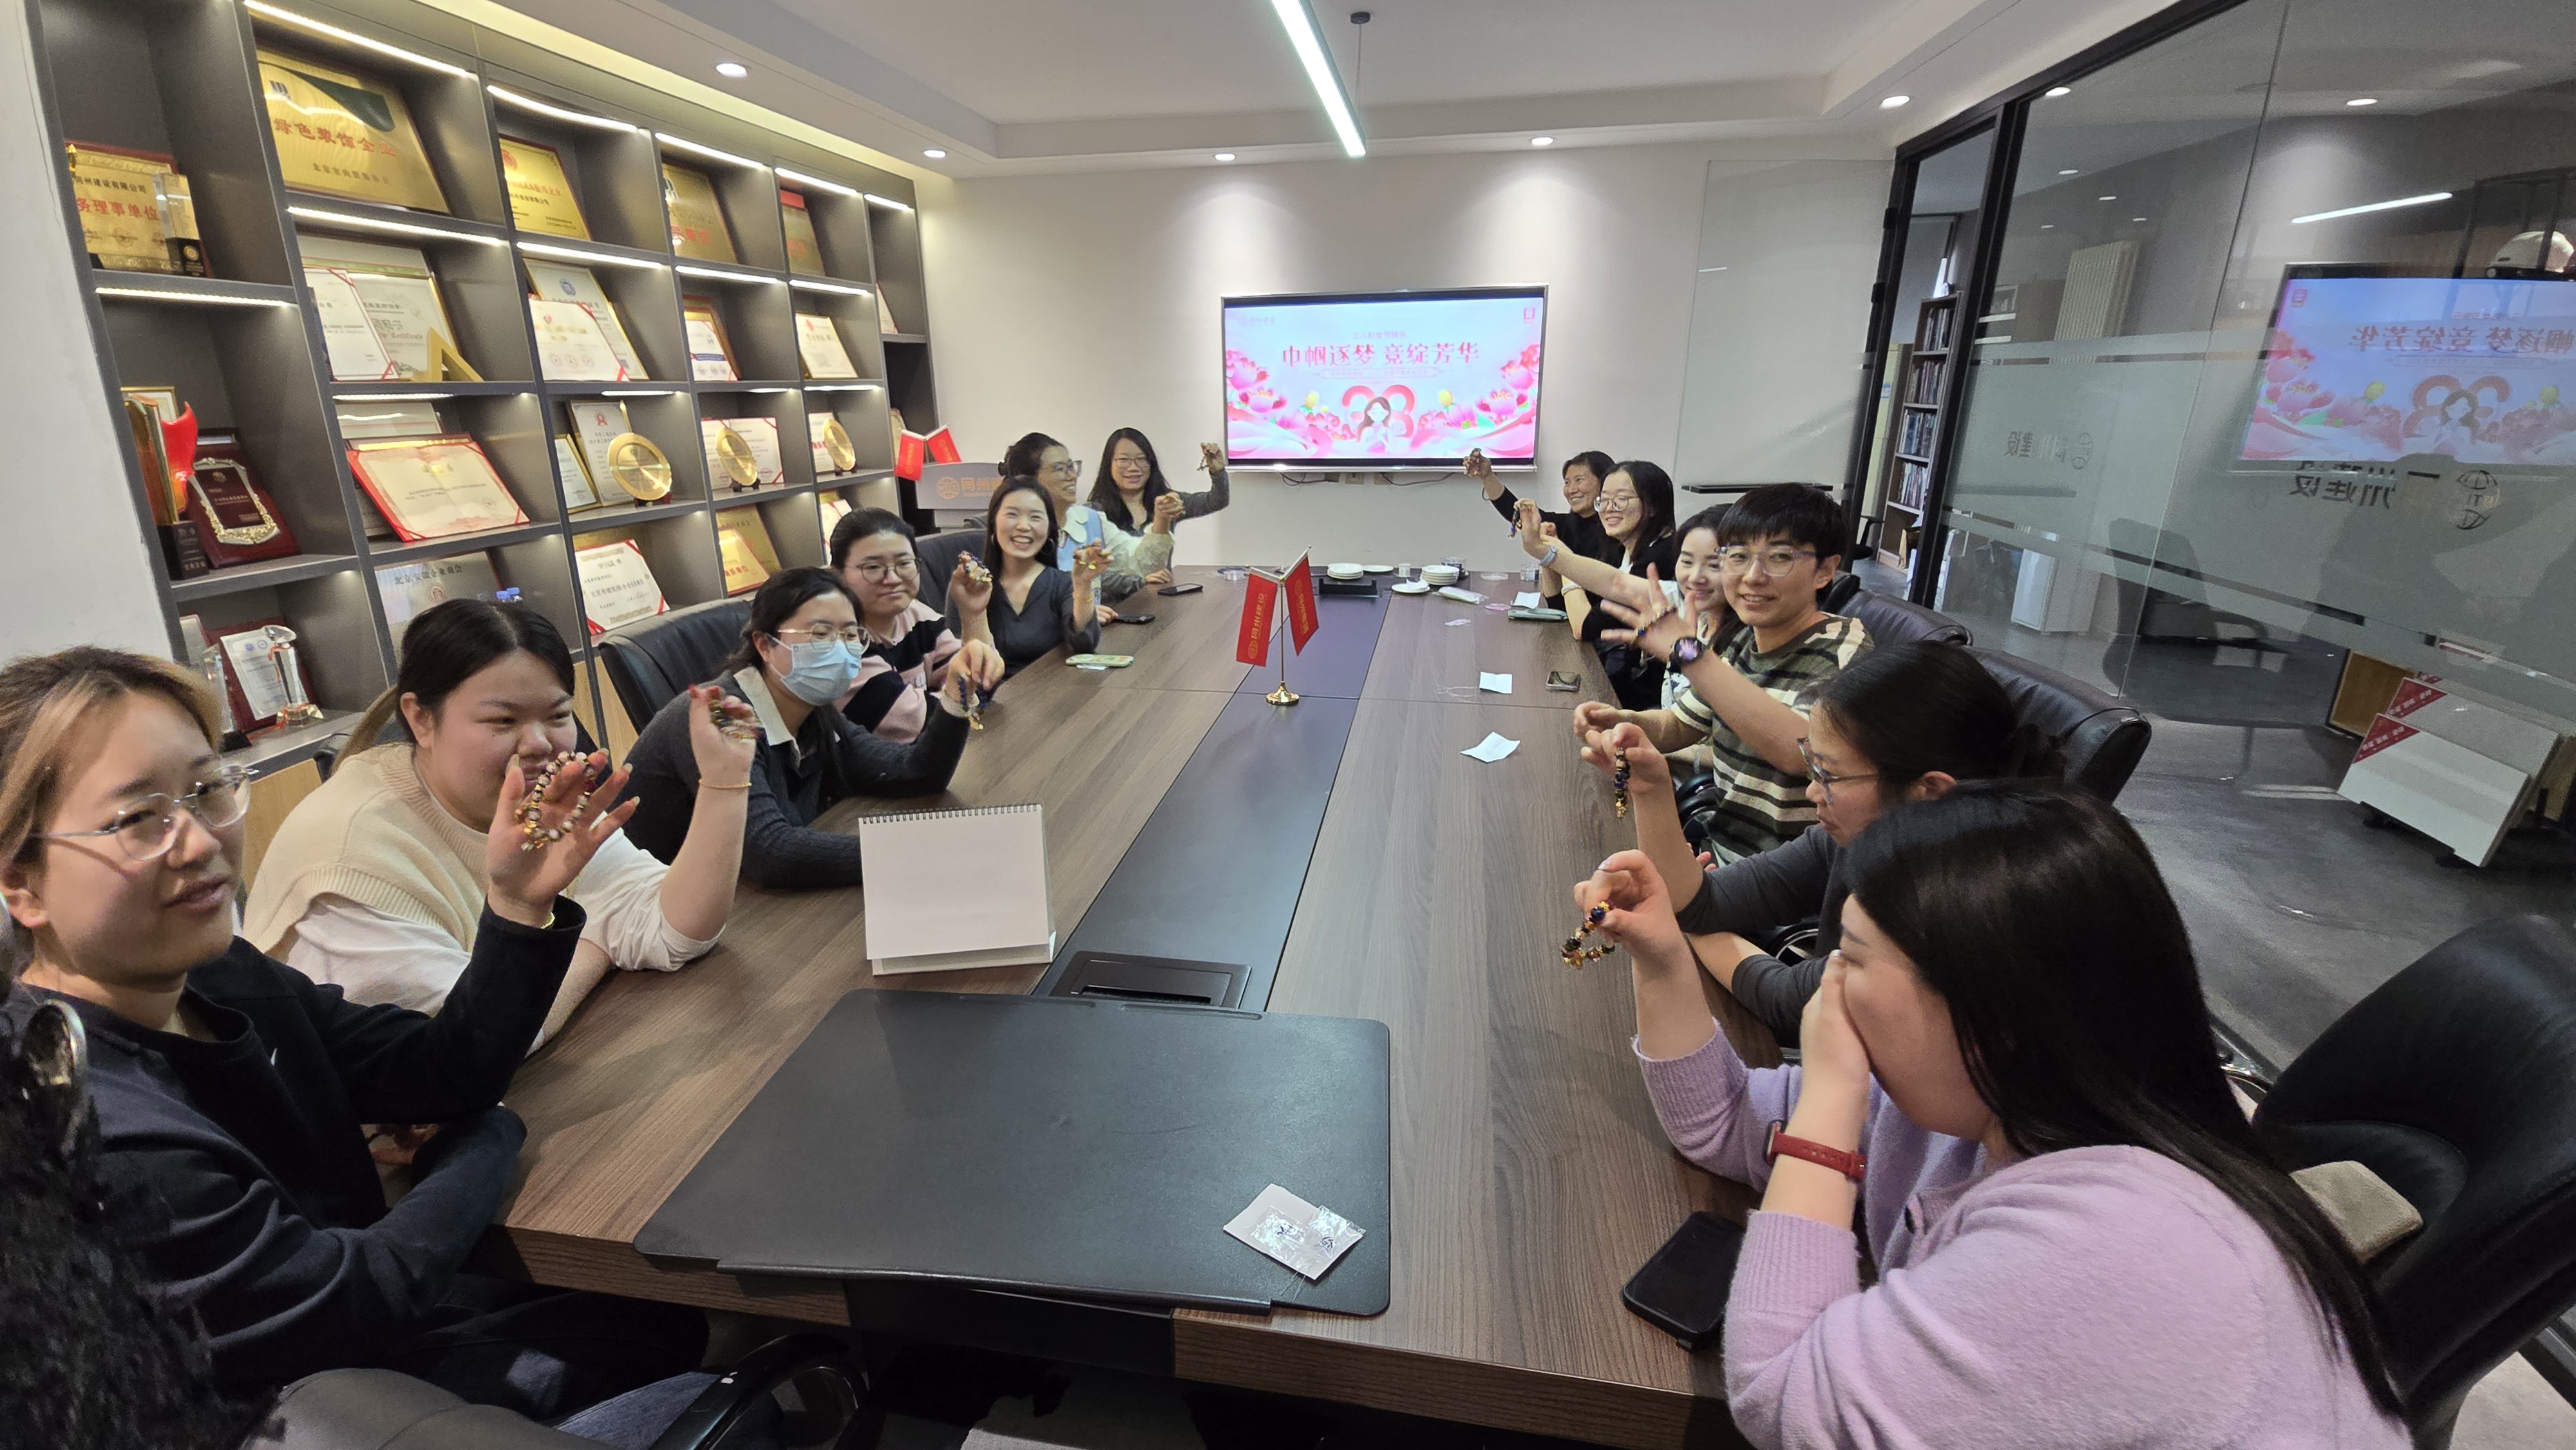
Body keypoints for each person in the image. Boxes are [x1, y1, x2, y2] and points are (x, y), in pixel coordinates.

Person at [1573, 782, 2407, 1447]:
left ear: (1992, 1012)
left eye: (1852, 961)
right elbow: (1721, 1123)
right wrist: (1664, 957)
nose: (1830, 989)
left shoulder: (2113, 1244)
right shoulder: (1983, 1097)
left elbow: (1781, 1396)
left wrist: (1826, 1099)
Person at [0, 647, 705, 1417]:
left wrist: (515, 904)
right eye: (139, 818)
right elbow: (351, 1298)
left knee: (659, 1321)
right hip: (307, 1406)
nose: (200, 841)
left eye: (205, 790)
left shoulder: (222, 974)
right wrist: (486, 1134)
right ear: (19, 880)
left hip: (368, 1343)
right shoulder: (88, 1120)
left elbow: (437, 1068)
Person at [245, 603, 750, 1047]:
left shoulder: (533, 801)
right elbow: (465, 1045)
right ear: (420, 719)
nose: (539, 744)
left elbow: (673, 929)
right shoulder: (348, 853)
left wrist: (724, 781)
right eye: (503, 722)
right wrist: (591, 942)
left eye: (558, 716)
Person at [1583, 641, 2063, 1042]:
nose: (1812, 792)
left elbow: (1789, 1001)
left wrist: (1682, 927)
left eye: (1828, 775)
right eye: (1812, 765)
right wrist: (1651, 787)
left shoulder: (1955, 907)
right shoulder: (1854, 835)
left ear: (1929, 791)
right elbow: (1703, 902)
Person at [618, 568, 994, 890]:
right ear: (764, 645)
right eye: (820, 634)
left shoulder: (811, 707)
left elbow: (916, 773)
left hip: (735, 900)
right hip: (656, 912)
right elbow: (770, 852)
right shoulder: (718, 716)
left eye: (851, 634)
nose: (841, 649)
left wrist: (957, 693)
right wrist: (908, 851)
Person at [1553, 482, 1868, 861]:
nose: (1752, 576)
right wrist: (1622, 721)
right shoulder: (1743, 641)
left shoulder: (1843, 648)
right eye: (1738, 557)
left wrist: (1691, 655)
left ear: (1825, 571)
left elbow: (1801, 753)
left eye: (1779, 558)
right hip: (1719, 855)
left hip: (1785, 880)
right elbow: (1678, 725)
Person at [830, 507, 1005, 743]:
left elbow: (982, 683)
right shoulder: (838, 642)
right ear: (838, 576)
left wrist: (973, 612)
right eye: (872, 567)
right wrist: (957, 693)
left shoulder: (914, 614)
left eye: (904, 563)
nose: (893, 579)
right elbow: (922, 723)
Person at [1535, 460, 1677, 710]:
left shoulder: (1658, 560)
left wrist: (1561, 558)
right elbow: (1559, 608)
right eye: (1604, 500)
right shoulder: (1621, 551)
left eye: (1621, 499)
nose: (1609, 509)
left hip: (1650, 703)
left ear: (1653, 505)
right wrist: (1552, 557)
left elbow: (1584, 627)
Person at [1006, 430, 1180, 619]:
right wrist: (1080, 612)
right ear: (1030, 480)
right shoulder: (1017, 531)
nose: (1072, 476)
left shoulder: (1090, 520)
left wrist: (1162, 519)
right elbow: (1017, 611)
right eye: (1059, 469)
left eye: (1071, 466)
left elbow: (1143, 563)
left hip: (1089, 635)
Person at [969, 476, 1105, 677]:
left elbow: (1085, 644)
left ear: (1050, 528)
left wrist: (1083, 585)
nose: (1024, 526)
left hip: (1047, 691)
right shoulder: (971, 586)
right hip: (990, 693)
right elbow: (966, 663)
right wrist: (973, 610)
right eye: (1012, 515)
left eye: (1035, 517)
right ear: (993, 522)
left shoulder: (1061, 583)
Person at [1470, 447, 1620, 567]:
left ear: (1605, 482)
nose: (1571, 490)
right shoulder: (1562, 526)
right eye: (1567, 483)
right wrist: (1487, 476)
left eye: (1579, 480)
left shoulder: (1618, 529)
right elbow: (1516, 514)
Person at [1088, 428, 1229, 534]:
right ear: (1109, 464)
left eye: (1142, 459)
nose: (1133, 468)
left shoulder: (1168, 502)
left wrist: (1218, 473)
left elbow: (1217, 501)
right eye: (1124, 460)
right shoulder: (1094, 513)